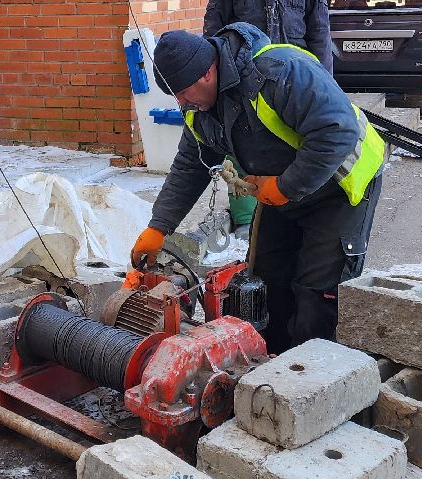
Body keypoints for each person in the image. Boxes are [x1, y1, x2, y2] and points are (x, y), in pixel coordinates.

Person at [129, 22, 385, 352]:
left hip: (340, 184)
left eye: (183, 92)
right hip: (282, 187)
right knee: (266, 283)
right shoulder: (198, 108)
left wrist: (285, 186)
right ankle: (271, 364)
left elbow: (338, 131)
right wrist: (159, 226)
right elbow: (190, 166)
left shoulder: (279, 73)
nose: (182, 102)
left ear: (207, 72)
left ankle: (312, 372)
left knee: (316, 295)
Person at [203, 0, 335, 236]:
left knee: (293, 143)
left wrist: (325, 81)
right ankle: (246, 219)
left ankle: (294, 209)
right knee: (243, 147)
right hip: (245, 77)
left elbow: (319, 29)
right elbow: (214, 30)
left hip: (295, 77)